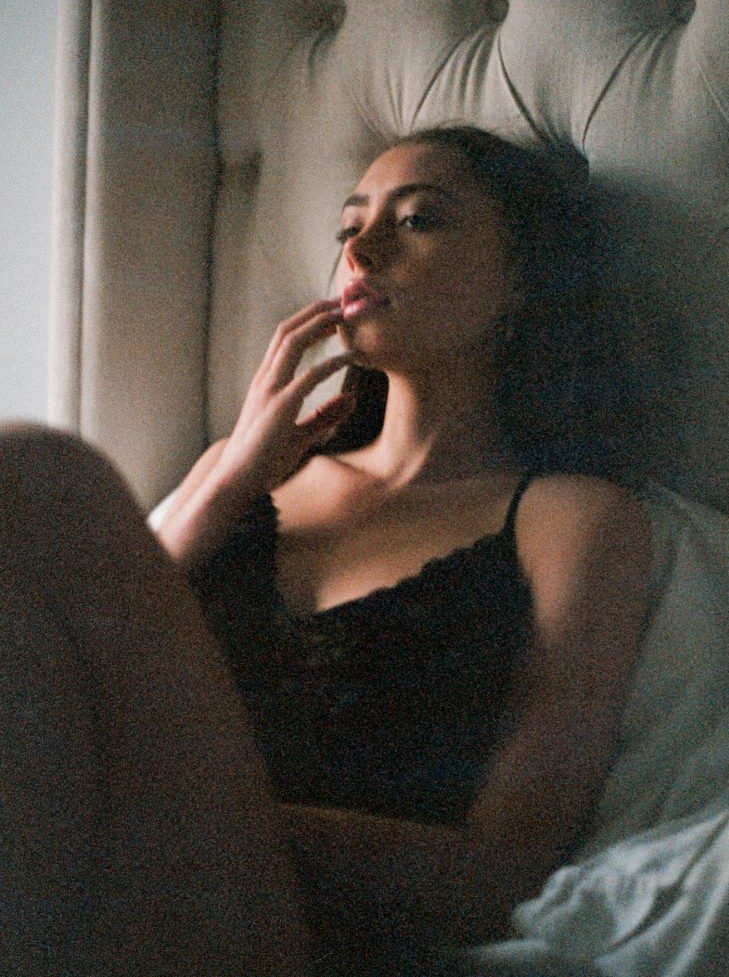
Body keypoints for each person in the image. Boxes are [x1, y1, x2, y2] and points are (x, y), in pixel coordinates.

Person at [0, 126, 651, 976]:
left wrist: (184, 813)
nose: (362, 251)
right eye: (350, 226)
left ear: (520, 280)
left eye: (417, 221)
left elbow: (503, 870)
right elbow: (78, 661)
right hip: (103, 881)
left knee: (34, 469)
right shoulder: (249, 474)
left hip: (294, 928)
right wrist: (227, 482)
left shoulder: (577, 518)